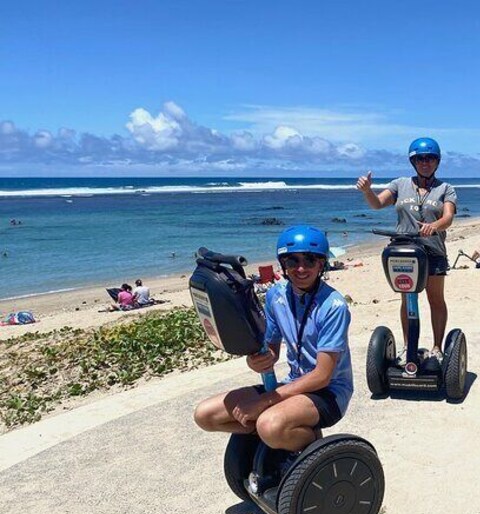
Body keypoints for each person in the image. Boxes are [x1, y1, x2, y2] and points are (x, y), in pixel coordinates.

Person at [193, 225, 354, 454]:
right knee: (206, 415)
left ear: (321, 264)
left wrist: (264, 402)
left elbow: (322, 375)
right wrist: (256, 361)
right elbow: (271, 352)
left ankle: (312, 447)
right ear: (283, 264)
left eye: (309, 260)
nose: (300, 268)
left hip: (328, 392)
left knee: (269, 424)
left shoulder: (333, 306)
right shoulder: (275, 295)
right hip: (291, 384)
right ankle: (281, 436)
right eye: (292, 261)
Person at [356, 137, 457, 361]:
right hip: (404, 251)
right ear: (413, 161)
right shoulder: (399, 184)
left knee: (435, 299)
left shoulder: (445, 189)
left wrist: (434, 226)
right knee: (407, 299)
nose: (425, 162)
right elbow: (377, 204)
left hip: (433, 252)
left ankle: (437, 348)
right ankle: (408, 346)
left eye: (430, 158)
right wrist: (367, 191)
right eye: (420, 159)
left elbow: (448, 217)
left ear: (437, 161)